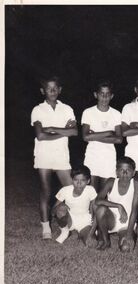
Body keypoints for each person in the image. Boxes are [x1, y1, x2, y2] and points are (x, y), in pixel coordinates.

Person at [31, 76, 78, 239]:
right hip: (43, 155)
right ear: (42, 91)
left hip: (61, 155)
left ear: (60, 90)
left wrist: (50, 128)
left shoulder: (67, 109)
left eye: (55, 88)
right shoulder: (37, 109)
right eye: (48, 88)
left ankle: (75, 224)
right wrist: (61, 131)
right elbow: (40, 136)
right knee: (46, 191)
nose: (52, 91)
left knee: (71, 189)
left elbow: (74, 132)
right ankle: (45, 227)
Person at [81, 80, 122, 192]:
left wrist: (94, 135)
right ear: (96, 95)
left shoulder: (116, 114)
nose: (104, 97)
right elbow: (85, 137)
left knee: (104, 193)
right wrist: (108, 133)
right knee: (91, 192)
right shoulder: (88, 112)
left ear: (111, 96)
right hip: (92, 156)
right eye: (101, 94)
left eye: (107, 94)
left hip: (108, 157)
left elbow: (119, 139)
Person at [95, 157, 138, 252]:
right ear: (116, 172)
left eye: (128, 170)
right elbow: (97, 200)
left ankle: (103, 234)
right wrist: (118, 206)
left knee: (126, 248)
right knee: (100, 209)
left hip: (127, 223)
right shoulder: (111, 182)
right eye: (121, 170)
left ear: (133, 173)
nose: (124, 173)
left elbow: (135, 210)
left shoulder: (136, 183)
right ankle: (106, 241)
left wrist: (128, 234)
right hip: (111, 220)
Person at [52, 165, 97, 245]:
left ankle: (82, 233)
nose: (79, 183)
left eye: (83, 180)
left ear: (88, 181)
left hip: (85, 221)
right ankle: (65, 232)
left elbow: (94, 207)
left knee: (91, 243)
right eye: (76, 180)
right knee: (61, 208)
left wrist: (93, 224)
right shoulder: (65, 190)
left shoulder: (90, 190)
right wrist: (61, 206)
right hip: (69, 219)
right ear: (72, 180)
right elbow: (53, 210)